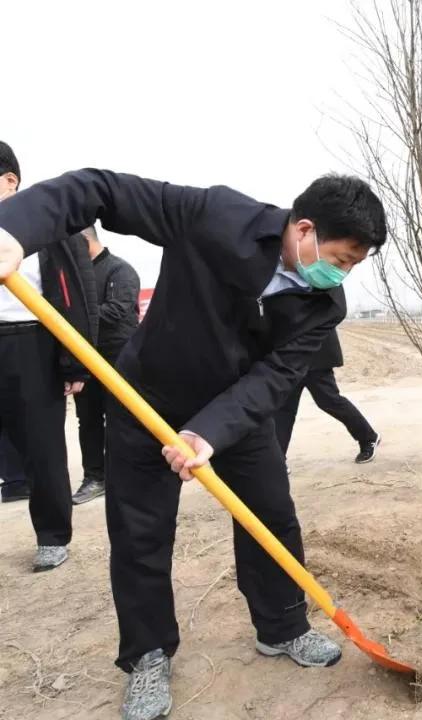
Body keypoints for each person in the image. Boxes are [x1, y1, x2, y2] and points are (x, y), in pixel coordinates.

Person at [0, 167, 387, 720]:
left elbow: (277, 375)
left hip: (236, 412)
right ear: (304, 230)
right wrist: (12, 229)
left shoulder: (324, 305)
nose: (340, 276)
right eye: (342, 260)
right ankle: (148, 656)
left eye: (352, 266)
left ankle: (281, 625)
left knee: (271, 515)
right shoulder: (215, 217)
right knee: (140, 534)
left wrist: (208, 432)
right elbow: (100, 190)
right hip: (147, 399)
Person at [0, 142, 98, 570]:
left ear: (9, 181)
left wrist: (76, 361)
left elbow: (79, 299)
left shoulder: (49, 228)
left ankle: (53, 534)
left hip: (32, 343)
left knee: (41, 445)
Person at [72, 225, 141, 504]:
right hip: (85, 356)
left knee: (121, 417)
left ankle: (125, 475)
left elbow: (117, 310)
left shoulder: (119, 270)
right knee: (87, 419)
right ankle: (94, 477)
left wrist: (74, 317)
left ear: (85, 242)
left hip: (119, 357)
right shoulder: (77, 276)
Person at [274, 324, 381, 463]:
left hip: (315, 354)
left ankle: (368, 438)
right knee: (284, 410)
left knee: (330, 400)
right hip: (290, 358)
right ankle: (277, 460)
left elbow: (333, 310)